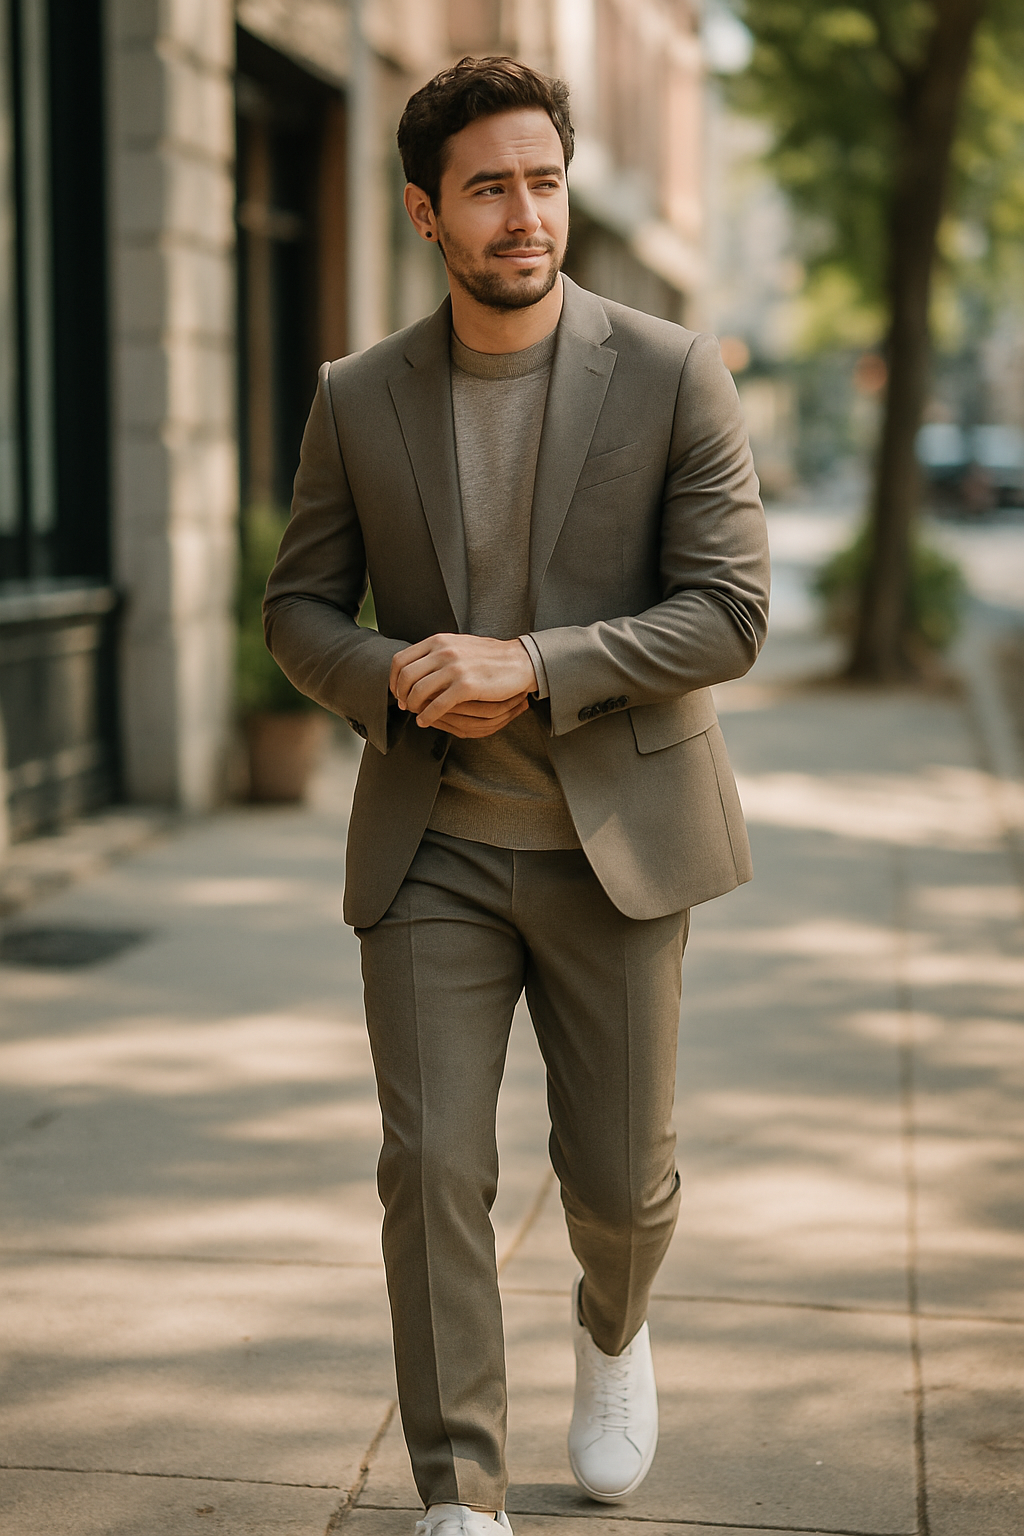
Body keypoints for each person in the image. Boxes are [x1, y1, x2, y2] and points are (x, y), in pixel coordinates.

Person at [264, 54, 769, 1536]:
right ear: (427, 212)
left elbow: (730, 613)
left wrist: (532, 666)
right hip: (433, 845)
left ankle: (613, 1326)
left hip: (620, 844)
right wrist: (399, 677)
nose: (526, 213)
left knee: (620, 1181)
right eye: (489, 188)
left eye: (542, 181)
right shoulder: (358, 399)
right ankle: (461, 1491)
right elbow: (298, 610)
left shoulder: (675, 372)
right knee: (432, 1168)